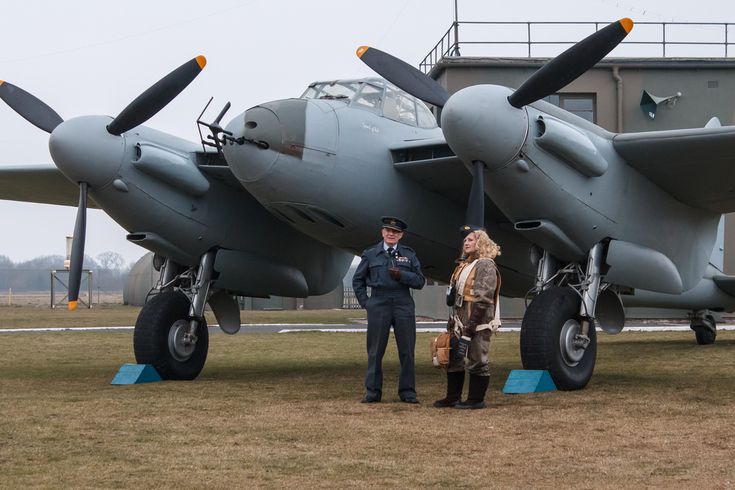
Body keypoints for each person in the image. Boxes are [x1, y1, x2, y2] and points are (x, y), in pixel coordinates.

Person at [352, 216, 425, 404]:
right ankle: (373, 392)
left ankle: (408, 392)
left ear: (401, 235)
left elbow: (419, 281)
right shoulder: (370, 254)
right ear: (382, 232)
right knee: (375, 351)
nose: (391, 234)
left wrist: (403, 275)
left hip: (403, 302)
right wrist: (366, 303)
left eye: (395, 232)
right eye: (388, 230)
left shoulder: (409, 255)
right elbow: (358, 280)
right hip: (379, 302)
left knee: (407, 351)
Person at [434, 225, 502, 410]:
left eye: (470, 239)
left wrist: (472, 325)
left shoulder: (486, 265)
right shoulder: (463, 265)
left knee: (477, 358)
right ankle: (453, 397)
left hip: (477, 319)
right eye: (465, 240)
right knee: (453, 356)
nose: (466, 242)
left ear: (480, 242)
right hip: (458, 318)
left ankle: (475, 399)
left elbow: (484, 299)